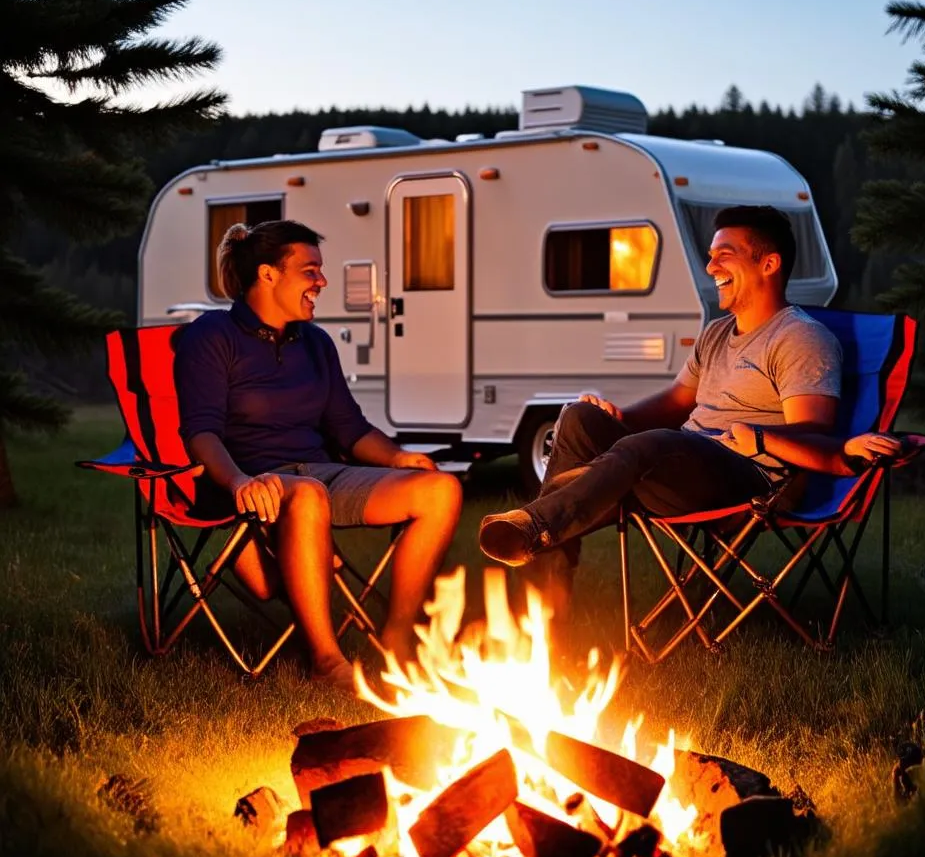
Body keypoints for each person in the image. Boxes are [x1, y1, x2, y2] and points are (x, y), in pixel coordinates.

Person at [479, 205, 855, 641]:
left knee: (654, 444)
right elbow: (677, 401)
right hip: (677, 464)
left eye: (724, 254)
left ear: (768, 264)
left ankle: (537, 523)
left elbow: (814, 432)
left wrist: (744, 438)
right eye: (711, 255)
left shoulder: (801, 338)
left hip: (749, 478)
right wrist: (620, 417)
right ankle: (546, 623)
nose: (710, 265)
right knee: (580, 418)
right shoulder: (716, 333)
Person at [174, 219, 463, 690]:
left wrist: (395, 458)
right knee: (306, 495)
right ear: (268, 274)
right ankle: (326, 663)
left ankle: (397, 641)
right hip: (247, 482)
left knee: (440, 490)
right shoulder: (212, 336)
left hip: (323, 474)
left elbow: (347, 428)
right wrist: (239, 482)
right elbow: (201, 433)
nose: (322, 282)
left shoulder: (316, 343)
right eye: (310, 271)